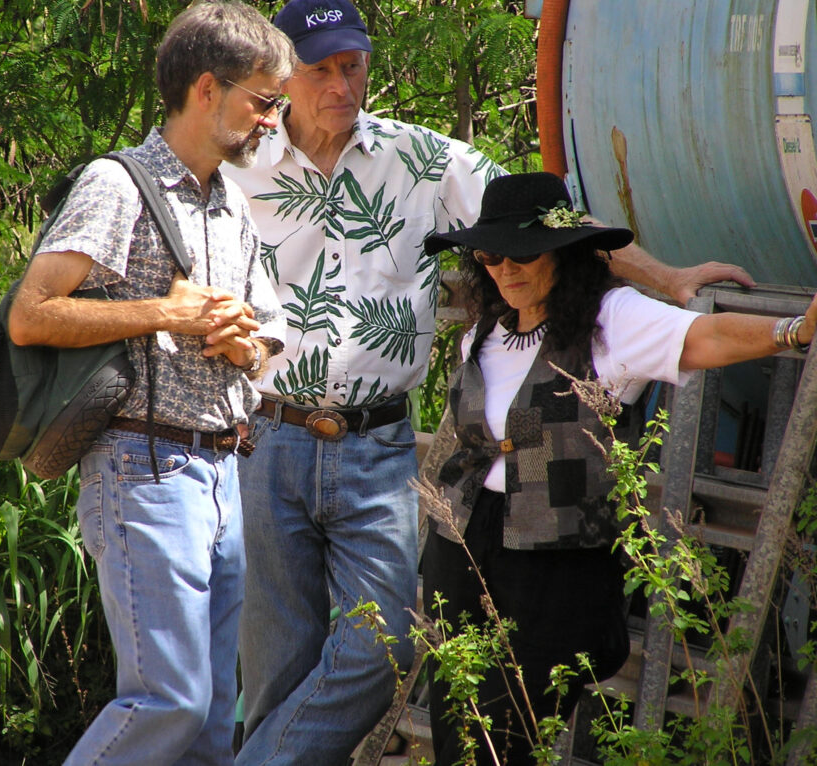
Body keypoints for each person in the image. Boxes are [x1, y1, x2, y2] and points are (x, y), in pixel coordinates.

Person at [221, 1, 756, 763]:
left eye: (354, 64)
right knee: (277, 670)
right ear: (284, 75)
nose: (343, 84)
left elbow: (546, 223)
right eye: (320, 70)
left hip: (376, 445)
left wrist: (666, 278)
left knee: (384, 650)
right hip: (266, 437)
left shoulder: (422, 160)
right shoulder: (239, 168)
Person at [420, 171, 817, 766]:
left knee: (509, 736)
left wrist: (795, 330)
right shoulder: (485, 330)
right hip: (464, 546)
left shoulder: (612, 321)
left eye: (524, 253)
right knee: (459, 722)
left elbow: (704, 338)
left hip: (552, 563)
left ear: (565, 250)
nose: (506, 269)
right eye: (491, 255)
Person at [6, 3, 295, 764]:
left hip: (224, 475)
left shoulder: (234, 205)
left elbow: (263, 342)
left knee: (206, 727)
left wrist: (246, 347)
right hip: (142, 469)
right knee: (166, 700)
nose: (274, 121)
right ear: (207, 89)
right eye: (265, 102)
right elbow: (31, 317)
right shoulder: (117, 184)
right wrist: (160, 311)